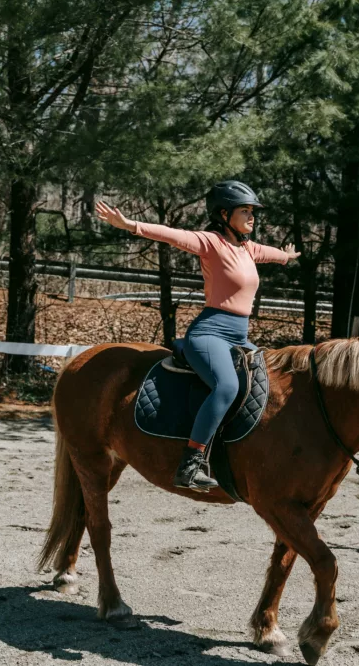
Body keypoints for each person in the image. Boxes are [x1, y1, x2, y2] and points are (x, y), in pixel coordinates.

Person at [95, 181, 299, 491]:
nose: (252, 216)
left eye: (253, 211)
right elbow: (170, 234)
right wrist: (129, 225)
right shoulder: (210, 243)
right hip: (210, 334)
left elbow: (269, 254)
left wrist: (286, 257)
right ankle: (191, 462)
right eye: (245, 211)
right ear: (224, 213)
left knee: (269, 382)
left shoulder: (247, 248)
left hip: (239, 336)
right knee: (226, 385)